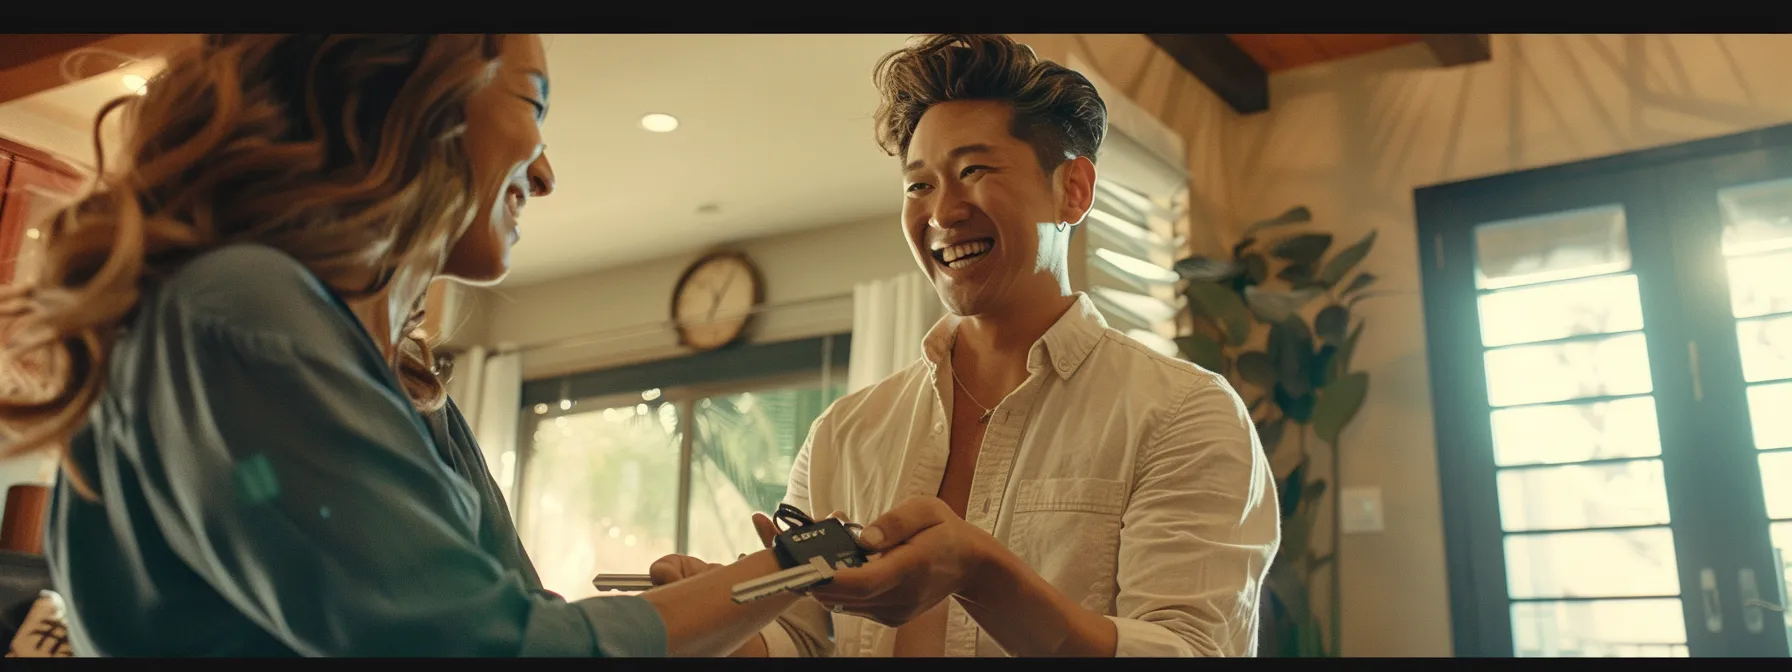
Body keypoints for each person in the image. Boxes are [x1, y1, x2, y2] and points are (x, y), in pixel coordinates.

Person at [0, 34, 813, 657]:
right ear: (411, 100)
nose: (548, 173)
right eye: (533, 104)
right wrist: (791, 570)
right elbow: (480, 648)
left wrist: (749, 589)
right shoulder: (240, 313)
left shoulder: (413, 386)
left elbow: (522, 623)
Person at [655, 33, 1282, 657]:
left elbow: (1192, 650)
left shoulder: (1182, 414)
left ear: (1074, 190)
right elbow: (801, 637)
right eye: (918, 185)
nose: (941, 212)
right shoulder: (846, 432)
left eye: (973, 170)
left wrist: (982, 575)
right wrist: (709, 614)